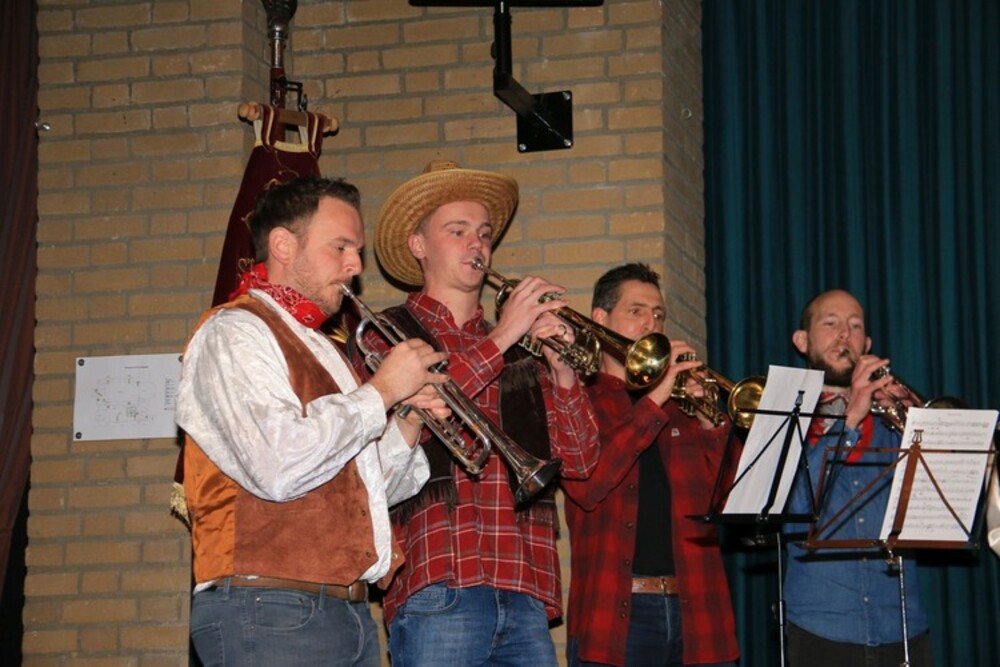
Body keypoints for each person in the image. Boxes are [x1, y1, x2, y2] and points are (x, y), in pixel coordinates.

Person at [176, 176, 452, 667]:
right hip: (269, 605)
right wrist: (382, 391)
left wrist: (408, 419)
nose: (356, 266)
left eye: (357, 251)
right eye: (340, 247)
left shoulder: (323, 347)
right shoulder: (234, 331)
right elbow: (277, 464)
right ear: (284, 245)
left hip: (341, 610)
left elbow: (359, 492)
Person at [357, 159, 601, 666]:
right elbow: (409, 423)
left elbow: (580, 462)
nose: (478, 245)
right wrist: (505, 334)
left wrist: (562, 371)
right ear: (418, 245)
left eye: (485, 234)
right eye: (458, 231)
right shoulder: (385, 332)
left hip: (524, 587)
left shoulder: (521, 353)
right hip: (436, 584)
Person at [561, 262, 740, 667]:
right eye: (636, 311)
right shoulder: (579, 400)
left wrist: (710, 423)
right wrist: (655, 400)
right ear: (600, 319)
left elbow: (729, 502)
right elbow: (587, 486)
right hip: (616, 619)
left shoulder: (682, 409)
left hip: (699, 613)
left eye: (658, 314)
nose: (651, 324)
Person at [783, 288, 933, 667]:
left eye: (854, 326)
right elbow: (793, 513)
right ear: (802, 341)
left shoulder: (894, 420)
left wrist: (920, 428)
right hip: (820, 630)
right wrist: (850, 418)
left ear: (867, 345)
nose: (844, 335)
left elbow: (941, 505)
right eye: (830, 324)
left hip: (902, 627)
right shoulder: (782, 418)